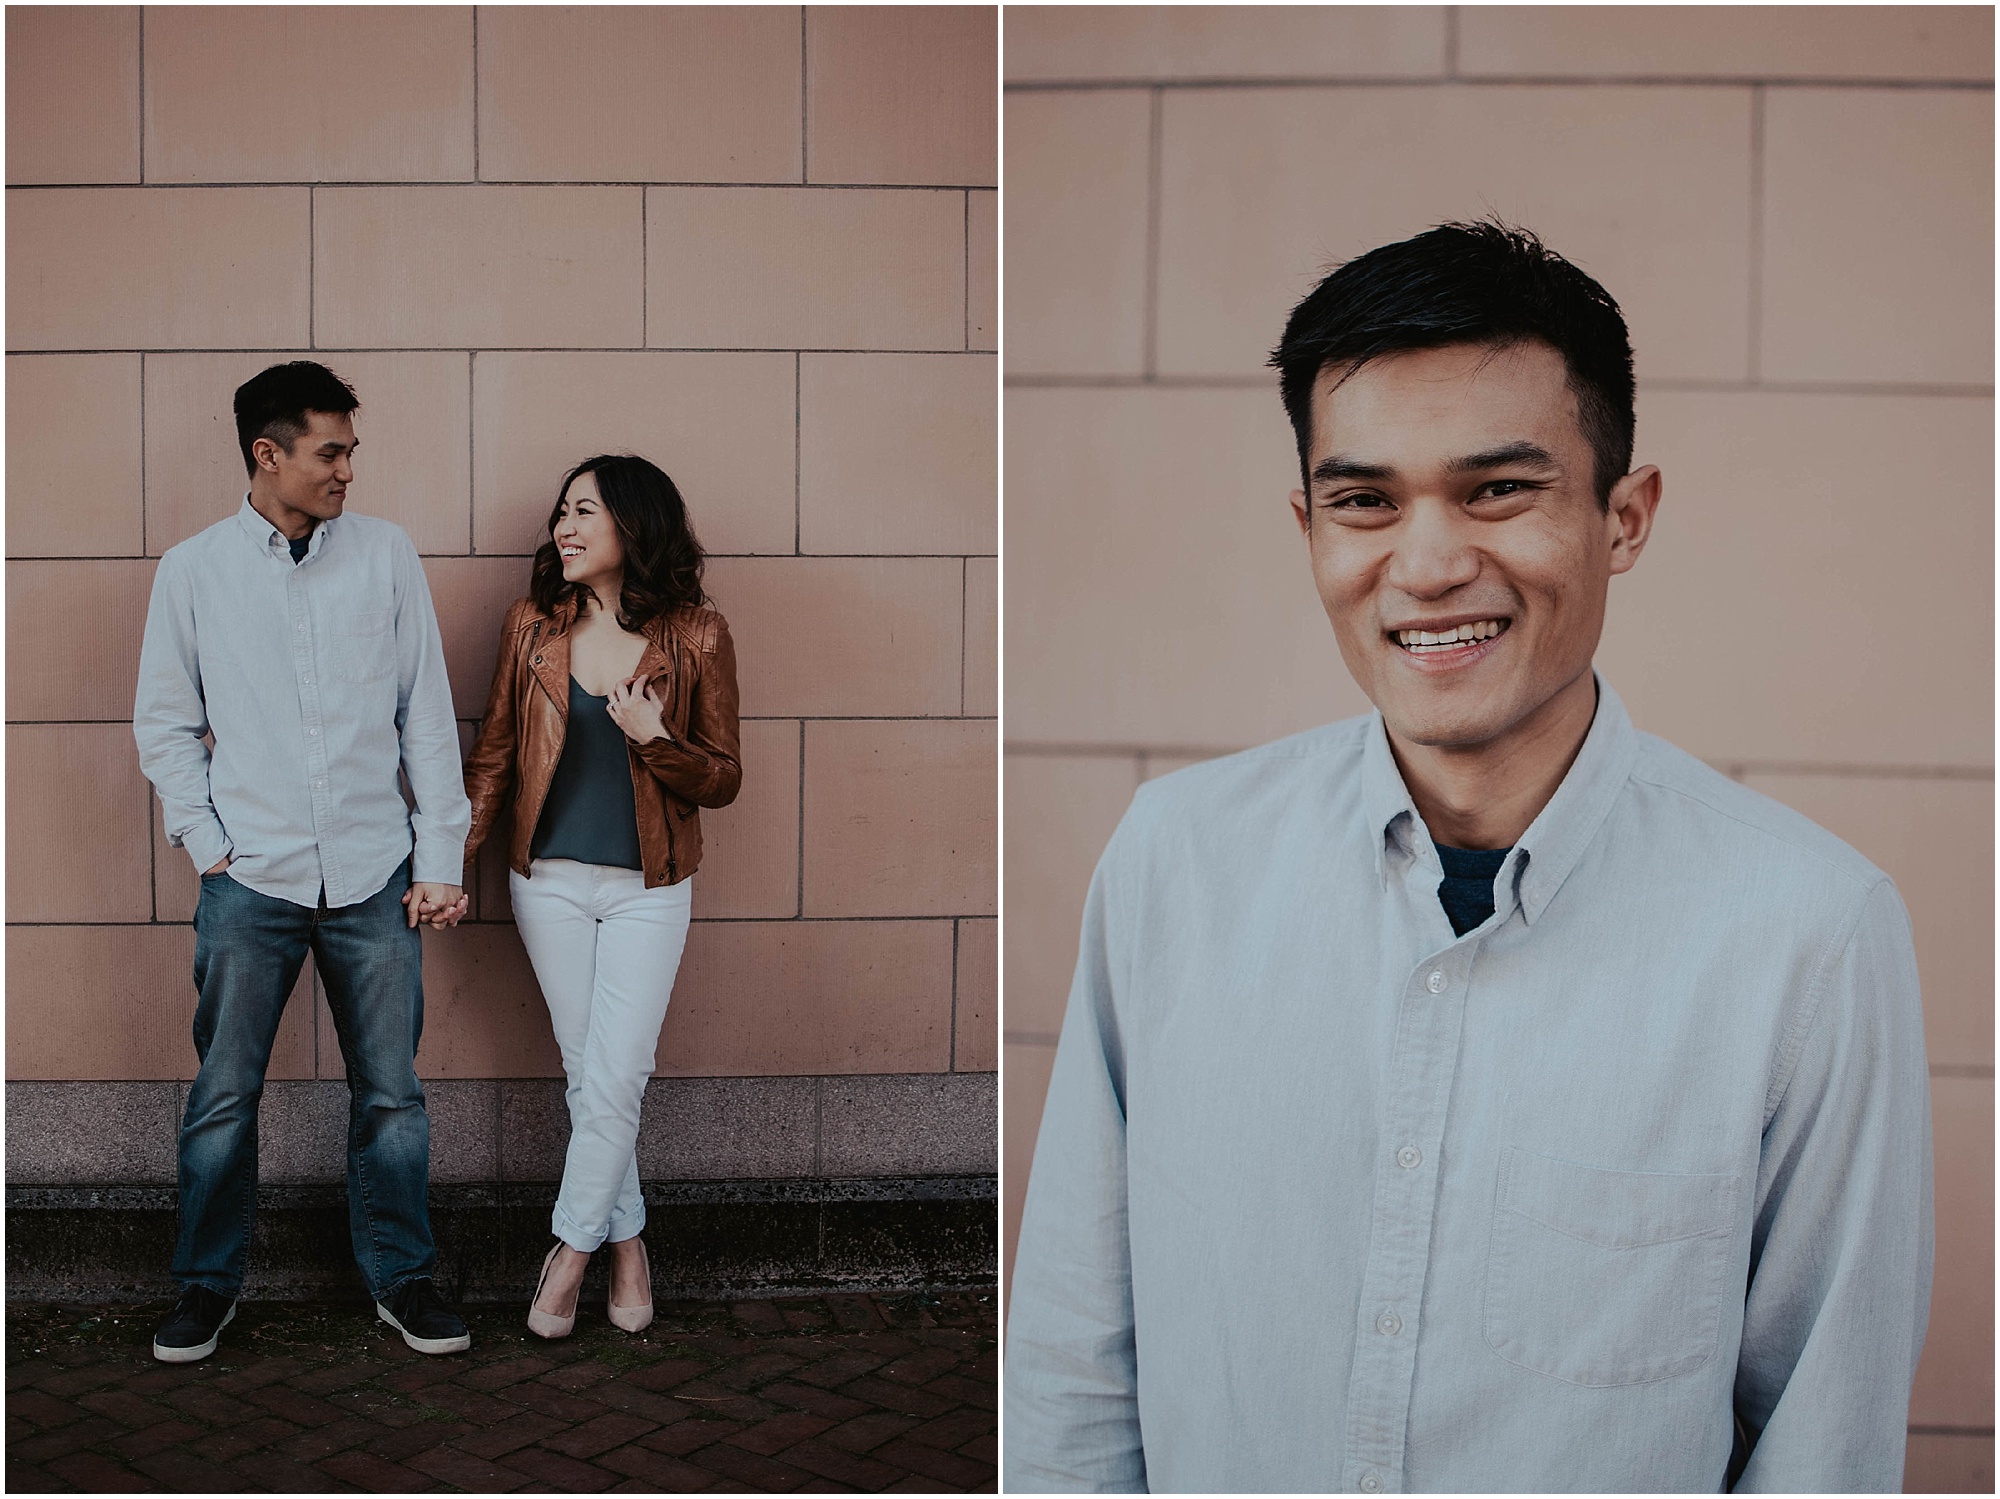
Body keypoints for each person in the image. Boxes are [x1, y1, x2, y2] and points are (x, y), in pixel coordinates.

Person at [1004, 223, 1932, 1493]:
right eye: (1363, 501)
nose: (1429, 566)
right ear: (1308, 526)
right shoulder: (1174, 863)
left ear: (1622, 517)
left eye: (1496, 489)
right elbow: (1071, 1370)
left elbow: (1821, 1444)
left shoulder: (1806, 932)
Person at [134, 361, 475, 1364]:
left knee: (393, 1095)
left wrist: (440, 854)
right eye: (330, 452)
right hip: (251, 879)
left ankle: (403, 1279)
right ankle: (205, 1287)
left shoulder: (386, 554)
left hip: (374, 872)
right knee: (223, 1095)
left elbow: (424, 715)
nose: (346, 471)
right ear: (267, 453)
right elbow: (164, 723)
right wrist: (208, 845)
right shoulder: (192, 570)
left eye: (351, 451)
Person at [462, 453, 741, 1338]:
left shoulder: (698, 634)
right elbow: (496, 754)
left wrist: (656, 737)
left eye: (585, 510)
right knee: (591, 1073)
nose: (564, 527)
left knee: (617, 1073)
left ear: (634, 522)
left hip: (649, 889)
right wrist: (448, 862)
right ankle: (629, 1246)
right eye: (562, 511)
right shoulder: (531, 627)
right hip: (545, 883)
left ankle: (571, 1254)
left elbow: (724, 778)